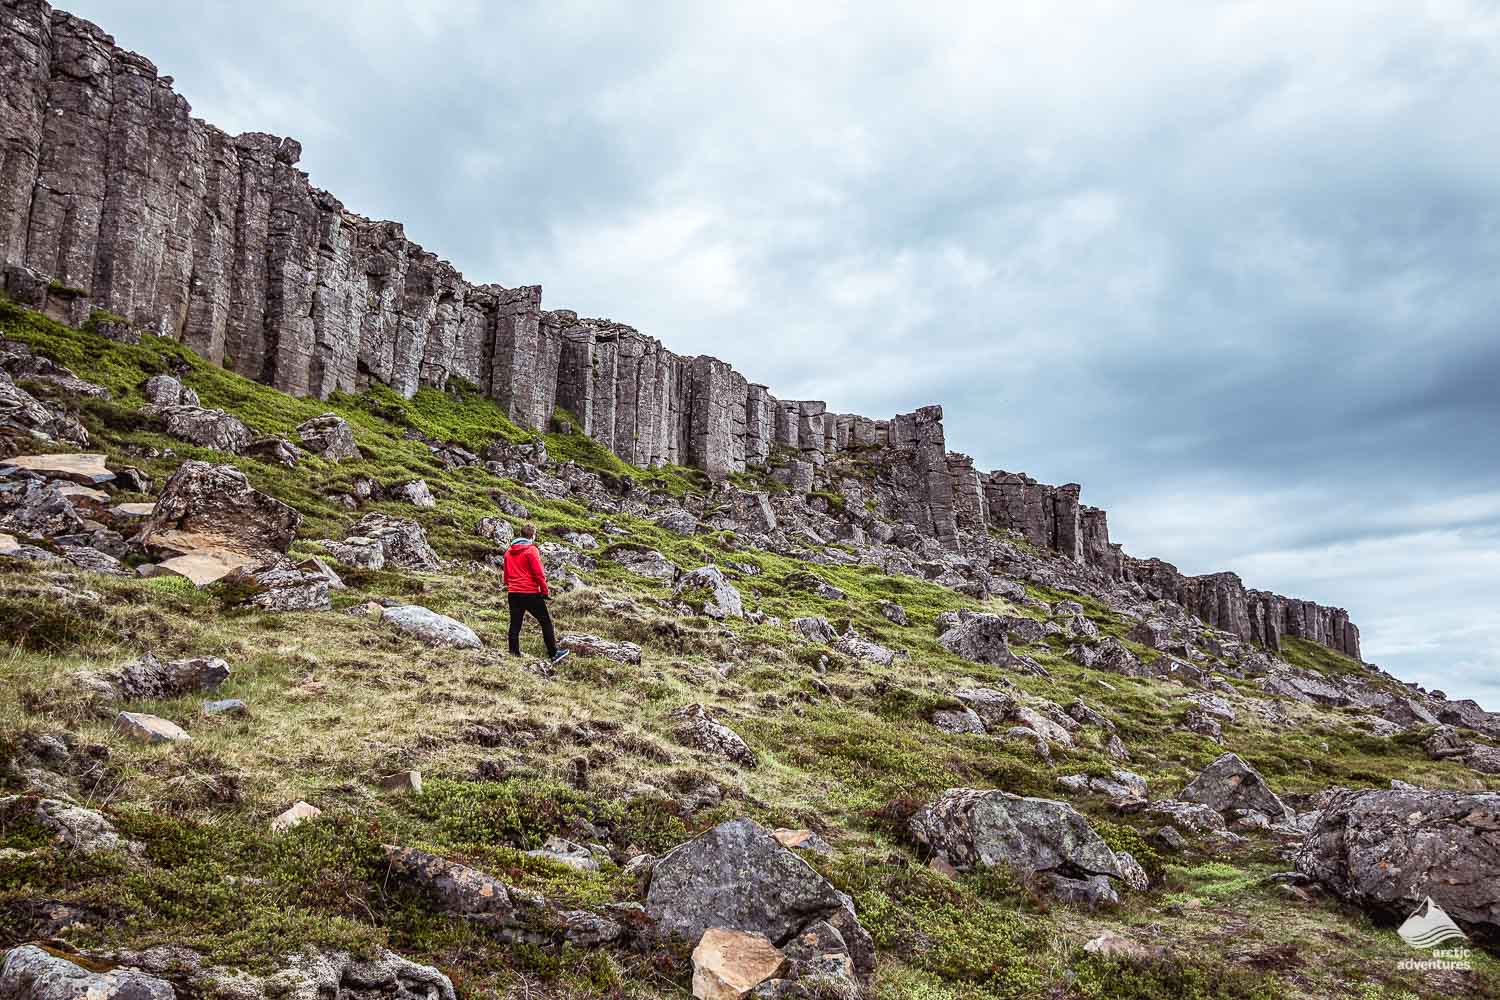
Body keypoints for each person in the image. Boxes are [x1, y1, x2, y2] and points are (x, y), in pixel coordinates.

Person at [503, 524, 570, 663]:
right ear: (532, 536)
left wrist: (510, 585)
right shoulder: (531, 550)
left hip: (513, 592)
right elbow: (539, 573)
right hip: (530, 592)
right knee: (545, 621)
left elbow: (506, 574)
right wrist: (544, 591)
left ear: (520, 534)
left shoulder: (509, 552)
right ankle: (553, 653)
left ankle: (513, 652)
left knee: (515, 624)